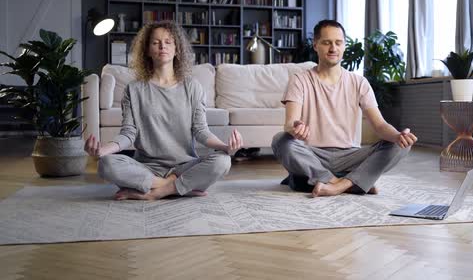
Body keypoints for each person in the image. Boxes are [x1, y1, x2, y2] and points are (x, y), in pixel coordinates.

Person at [85, 20, 243, 201]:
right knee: (106, 164)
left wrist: (226, 147)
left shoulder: (192, 87)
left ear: (177, 49)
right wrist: (103, 151)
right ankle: (179, 187)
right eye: (155, 42)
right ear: (146, 50)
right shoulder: (134, 89)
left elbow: (201, 131)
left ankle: (155, 192)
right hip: (147, 167)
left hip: (184, 165)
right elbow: (128, 133)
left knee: (222, 161)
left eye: (168, 42)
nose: (162, 46)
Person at [272, 19, 418, 198]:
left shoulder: (359, 83)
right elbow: (289, 124)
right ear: (316, 45)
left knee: (401, 146)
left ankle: (336, 185)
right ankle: (351, 182)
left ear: (344, 45)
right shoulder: (299, 80)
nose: (333, 48)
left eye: (338, 43)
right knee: (281, 141)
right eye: (326, 43)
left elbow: (379, 125)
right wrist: (295, 129)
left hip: (350, 156)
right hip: (312, 154)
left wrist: (397, 136)